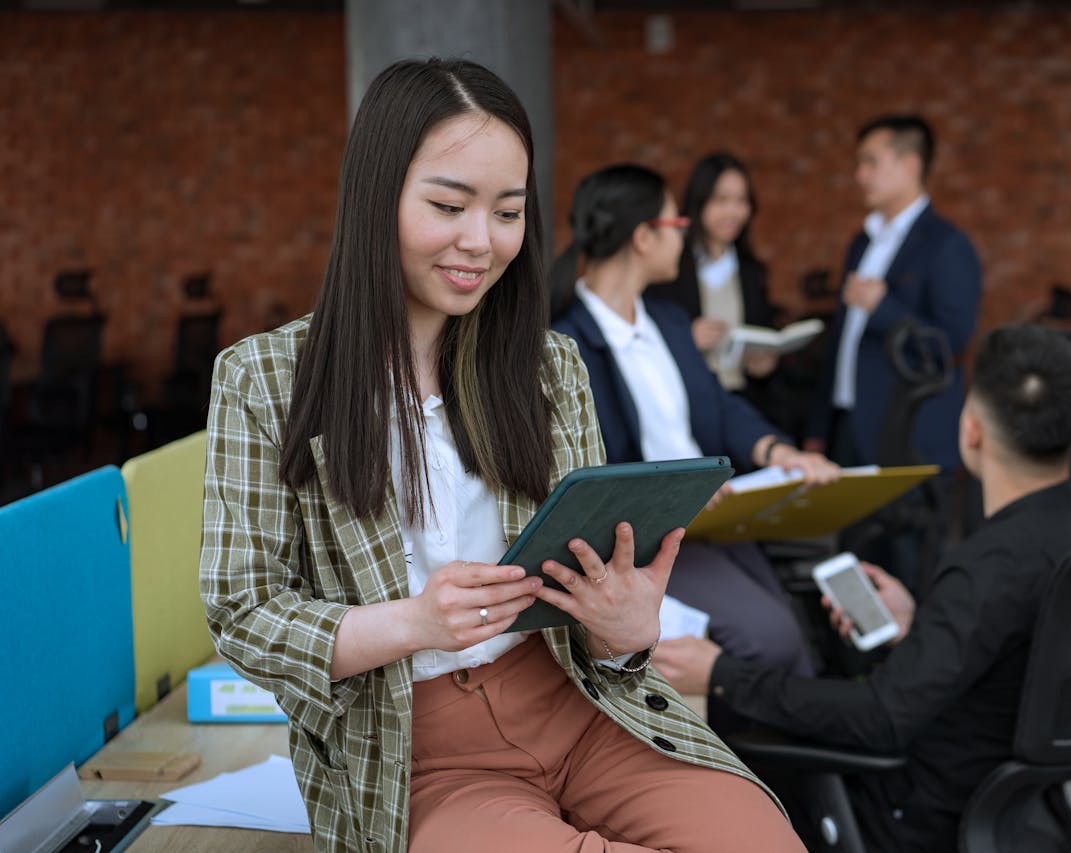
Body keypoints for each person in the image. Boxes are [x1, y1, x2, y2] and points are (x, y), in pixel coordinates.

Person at [199, 58, 804, 853]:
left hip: (581, 706)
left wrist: (623, 628)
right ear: (377, 195)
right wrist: (412, 621)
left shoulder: (551, 367)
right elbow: (243, 611)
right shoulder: (264, 378)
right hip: (417, 749)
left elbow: (596, 600)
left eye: (508, 212)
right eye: (448, 205)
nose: (480, 243)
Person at [655, 324, 1071, 853]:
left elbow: (880, 719)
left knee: (734, 775)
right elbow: (1024, 656)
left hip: (919, 814)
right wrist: (921, 629)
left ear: (972, 431)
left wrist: (721, 673)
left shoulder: (986, 567)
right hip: (1017, 803)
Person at [548, 163, 842, 730]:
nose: (684, 236)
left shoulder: (669, 321)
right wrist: (678, 494)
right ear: (643, 235)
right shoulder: (566, 343)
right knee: (770, 638)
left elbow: (719, 408)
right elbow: (586, 466)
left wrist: (778, 453)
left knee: (798, 629)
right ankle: (772, 775)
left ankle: (808, 783)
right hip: (651, 536)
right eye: (677, 222)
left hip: (717, 518)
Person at [805, 114, 982, 472]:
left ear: (910, 164)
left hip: (907, 435)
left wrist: (883, 309)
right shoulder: (861, 242)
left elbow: (951, 345)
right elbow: (843, 338)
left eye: (870, 162)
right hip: (848, 424)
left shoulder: (947, 245)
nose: (860, 175)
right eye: (859, 163)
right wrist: (818, 426)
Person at [646, 152, 779, 411]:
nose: (733, 211)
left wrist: (766, 364)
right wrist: (686, 339)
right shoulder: (669, 269)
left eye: (741, 201)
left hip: (742, 403)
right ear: (700, 202)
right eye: (721, 200)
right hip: (685, 403)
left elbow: (765, 335)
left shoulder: (752, 272)